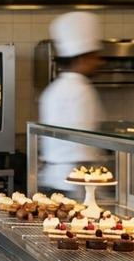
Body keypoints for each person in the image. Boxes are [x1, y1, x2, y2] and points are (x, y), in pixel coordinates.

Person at [38, 11, 105, 191]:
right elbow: (82, 147)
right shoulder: (81, 90)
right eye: (95, 57)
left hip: (53, 178)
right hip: (74, 182)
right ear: (82, 59)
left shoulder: (52, 90)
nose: (99, 62)